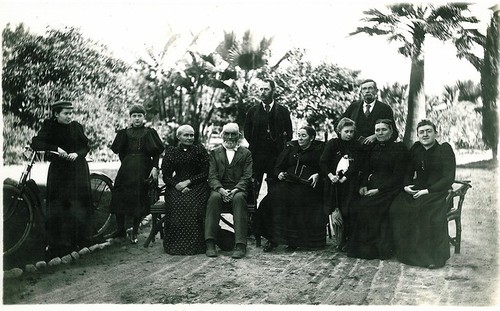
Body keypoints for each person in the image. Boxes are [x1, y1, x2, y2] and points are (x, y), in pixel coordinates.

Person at [390, 120, 456, 269]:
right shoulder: (416, 149)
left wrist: (428, 191)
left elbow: (448, 178)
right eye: (421, 132)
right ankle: (406, 253)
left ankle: (432, 257)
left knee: (423, 211)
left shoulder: (444, 149)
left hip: (438, 192)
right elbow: (407, 171)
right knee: (397, 207)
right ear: (418, 135)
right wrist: (407, 186)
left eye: (428, 131)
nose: (425, 134)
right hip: (418, 190)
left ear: (435, 133)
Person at [31, 100, 94, 256]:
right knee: (58, 204)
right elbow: (36, 143)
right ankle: (58, 243)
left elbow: (86, 146)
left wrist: (77, 154)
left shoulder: (76, 127)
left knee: (77, 204)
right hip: (59, 171)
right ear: (56, 114)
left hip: (77, 169)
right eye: (66, 114)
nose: (69, 116)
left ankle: (79, 240)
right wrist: (56, 149)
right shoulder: (50, 127)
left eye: (70, 113)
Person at [347, 119, 408, 260]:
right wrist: (363, 185)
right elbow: (365, 169)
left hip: (391, 188)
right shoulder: (373, 148)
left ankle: (376, 249)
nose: (380, 133)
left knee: (368, 207)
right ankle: (359, 246)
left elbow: (398, 176)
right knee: (355, 203)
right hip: (372, 186)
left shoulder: (399, 148)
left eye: (383, 130)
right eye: (377, 130)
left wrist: (379, 190)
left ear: (391, 131)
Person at [258, 126, 326, 252]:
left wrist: (318, 174)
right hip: (288, 183)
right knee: (270, 200)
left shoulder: (318, 151)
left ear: (312, 138)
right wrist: (279, 174)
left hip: (307, 186)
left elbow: (325, 167)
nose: (300, 138)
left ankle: (292, 240)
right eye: (299, 135)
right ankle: (272, 238)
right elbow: (278, 166)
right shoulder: (291, 149)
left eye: (303, 136)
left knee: (294, 201)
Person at [107, 104, 164, 244]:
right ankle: (120, 229)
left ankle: (135, 229)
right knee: (119, 195)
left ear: (144, 117)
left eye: (139, 116)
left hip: (143, 167)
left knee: (138, 197)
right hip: (126, 168)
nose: (137, 119)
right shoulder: (124, 132)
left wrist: (155, 167)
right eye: (134, 116)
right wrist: (126, 161)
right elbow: (119, 150)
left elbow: (156, 152)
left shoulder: (149, 132)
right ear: (130, 118)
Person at [205, 123, 253, 259]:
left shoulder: (246, 153)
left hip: (238, 189)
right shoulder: (214, 152)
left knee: (238, 199)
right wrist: (220, 189)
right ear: (222, 135)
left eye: (233, 134)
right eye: (227, 134)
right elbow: (212, 175)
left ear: (239, 136)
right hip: (219, 188)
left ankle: (240, 244)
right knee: (213, 198)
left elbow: (247, 176)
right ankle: (210, 242)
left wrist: (236, 189)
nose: (230, 137)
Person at [161, 125, 210, 255]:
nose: (189, 138)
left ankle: (196, 245)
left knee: (194, 203)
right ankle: (175, 245)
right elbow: (166, 175)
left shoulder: (199, 150)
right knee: (176, 203)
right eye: (186, 135)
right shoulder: (171, 151)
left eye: (191, 135)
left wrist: (189, 182)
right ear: (178, 137)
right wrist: (177, 185)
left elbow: (206, 172)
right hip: (176, 185)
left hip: (197, 184)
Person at [320, 117, 362, 251]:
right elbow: (323, 162)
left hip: (350, 182)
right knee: (336, 207)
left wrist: (346, 177)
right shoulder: (333, 144)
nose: (349, 134)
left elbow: (356, 165)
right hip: (333, 182)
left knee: (349, 207)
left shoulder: (356, 145)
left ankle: (349, 238)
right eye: (346, 131)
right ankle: (340, 238)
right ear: (340, 131)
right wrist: (331, 175)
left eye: (351, 132)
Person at [244, 78, 292, 194]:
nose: (262, 92)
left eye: (266, 89)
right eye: (261, 89)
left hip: (276, 158)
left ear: (273, 91)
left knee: (275, 191)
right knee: (252, 191)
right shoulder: (252, 111)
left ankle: (271, 212)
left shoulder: (283, 111)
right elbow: (247, 133)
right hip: (257, 157)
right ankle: (253, 213)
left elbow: (289, 134)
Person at [342, 79, 398, 145]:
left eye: (370, 88)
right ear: (361, 92)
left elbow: (393, 132)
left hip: (377, 149)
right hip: (355, 148)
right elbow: (338, 125)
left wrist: (376, 136)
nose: (367, 91)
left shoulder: (385, 109)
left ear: (376, 91)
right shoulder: (353, 107)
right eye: (364, 89)